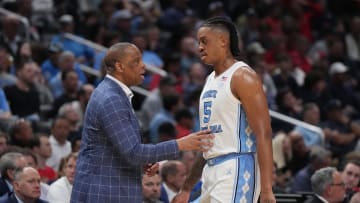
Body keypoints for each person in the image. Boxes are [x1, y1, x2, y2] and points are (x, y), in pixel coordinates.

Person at [70, 42, 214, 202]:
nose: (143, 66)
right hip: (106, 192)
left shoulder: (111, 92)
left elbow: (118, 150)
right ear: (119, 66)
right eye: (136, 61)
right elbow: (132, 152)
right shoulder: (111, 98)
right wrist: (181, 144)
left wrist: (143, 160)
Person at [172, 16, 275, 203]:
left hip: (238, 167)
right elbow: (207, 140)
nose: (199, 47)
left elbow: (264, 134)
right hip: (211, 170)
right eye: (198, 42)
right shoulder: (210, 80)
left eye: (204, 41)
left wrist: (267, 190)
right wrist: (186, 188)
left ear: (223, 41)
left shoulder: (243, 77)